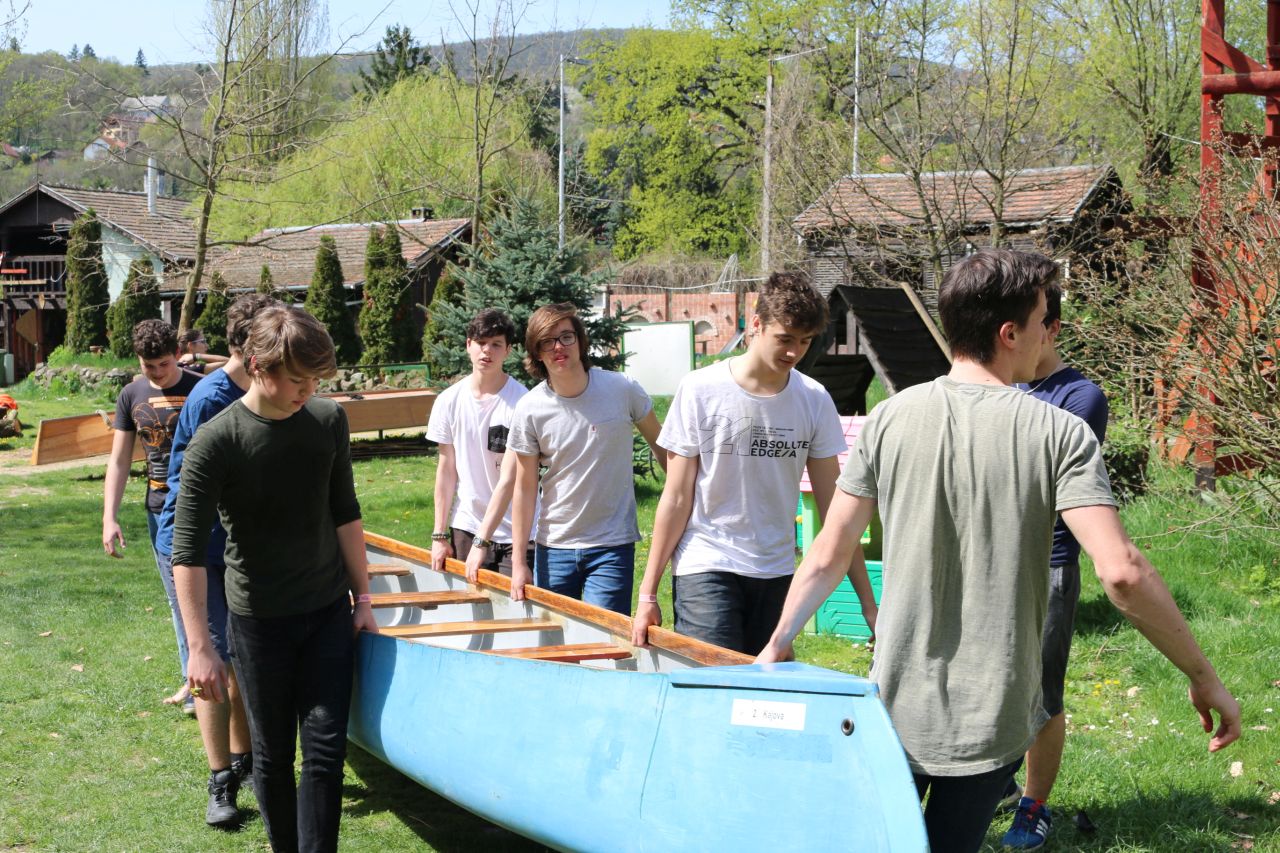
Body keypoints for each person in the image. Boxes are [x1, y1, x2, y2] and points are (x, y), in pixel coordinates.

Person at [756, 248, 1240, 853]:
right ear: (1009, 334)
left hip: (894, 708)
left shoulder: (887, 419)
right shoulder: (1059, 432)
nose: (1049, 334)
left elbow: (829, 550)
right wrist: (1202, 676)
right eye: (1041, 321)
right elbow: (1121, 571)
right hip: (993, 717)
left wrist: (778, 641)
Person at [173, 305, 377, 852]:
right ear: (258, 366)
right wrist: (200, 647)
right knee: (273, 755)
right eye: (297, 380)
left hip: (327, 612)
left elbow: (346, 513)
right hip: (259, 623)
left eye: (316, 380)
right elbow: (186, 551)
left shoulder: (327, 421)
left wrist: (363, 598)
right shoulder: (217, 440)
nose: (308, 391)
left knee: (326, 751)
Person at [630, 271, 873, 655]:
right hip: (706, 563)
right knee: (716, 681)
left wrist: (869, 606)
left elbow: (837, 513)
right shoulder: (700, 389)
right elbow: (675, 498)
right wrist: (647, 595)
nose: (794, 353)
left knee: (768, 687)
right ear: (757, 325)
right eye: (785, 339)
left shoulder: (814, 400)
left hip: (777, 570)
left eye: (805, 341)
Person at [155, 294, 278, 828]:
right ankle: (220, 779)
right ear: (250, 347)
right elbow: (195, 496)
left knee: (243, 658)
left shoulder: (264, 391)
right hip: (196, 549)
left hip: (236, 546)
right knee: (213, 663)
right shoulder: (213, 399)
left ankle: (248, 763)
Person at [469, 303, 664, 614]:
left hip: (611, 547)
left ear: (580, 341)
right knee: (557, 636)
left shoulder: (621, 389)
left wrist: (686, 503)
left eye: (566, 337)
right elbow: (524, 488)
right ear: (537, 352)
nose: (558, 347)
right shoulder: (530, 408)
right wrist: (519, 563)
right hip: (554, 548)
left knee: (604, 637)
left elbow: (665, 449)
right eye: (547, 341)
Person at [1000, 289, 1109, 847]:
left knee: (1042, 693)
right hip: (993, 557)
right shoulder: (1002, 383)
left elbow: (1035, 475)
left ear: (1052, 329)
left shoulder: (1080, 396)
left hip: (1050, 564)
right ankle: (995, 780)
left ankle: (1034, 805)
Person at [101, 319, 201, 712]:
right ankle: (193, 681)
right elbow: (119, 459)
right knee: (179, 600)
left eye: (163, 364)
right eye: (148, 366)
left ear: (177, 354)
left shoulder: (200, 388)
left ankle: (215, 677)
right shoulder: (131, 395)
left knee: (212, 597)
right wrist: (109, 517)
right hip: (159, 510)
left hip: (204, 509)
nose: (157, 372)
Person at [427, 309, 533, 579]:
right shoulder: (448, 401)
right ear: (468, 345)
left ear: (508, 350)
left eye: (496, 344)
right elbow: (446, 470)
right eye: (481, 342)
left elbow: (511, 479)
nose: (487, 351)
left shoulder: (522, 402)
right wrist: (439, 535)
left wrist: (482, 541)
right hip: (467, 525)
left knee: (517, 604)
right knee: (471, 603)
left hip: (517, 531)